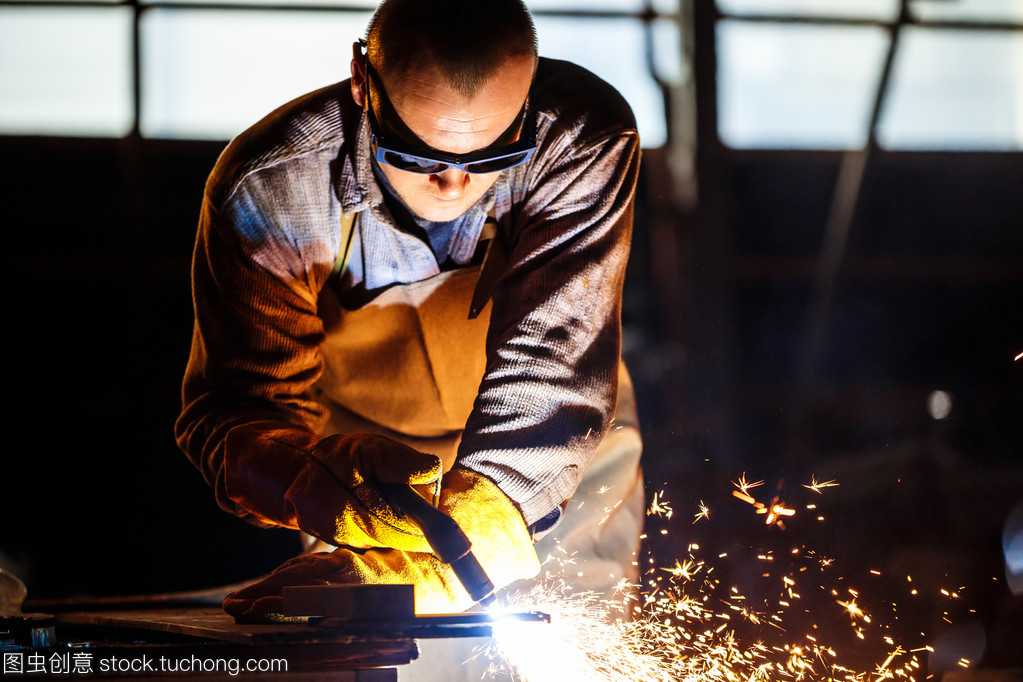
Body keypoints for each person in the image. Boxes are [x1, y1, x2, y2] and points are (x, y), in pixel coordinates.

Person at [175, 0, 644, 674]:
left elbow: (552, 367)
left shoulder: (577, 137)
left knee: (573, 659)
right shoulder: (273, 186)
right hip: (375, 483)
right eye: (417, 154)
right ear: (363, 82)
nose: (455, 183)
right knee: (385, 655)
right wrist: (306, 483)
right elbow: (241, 406)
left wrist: (464, 554)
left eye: (492, 155)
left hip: (552, 458)